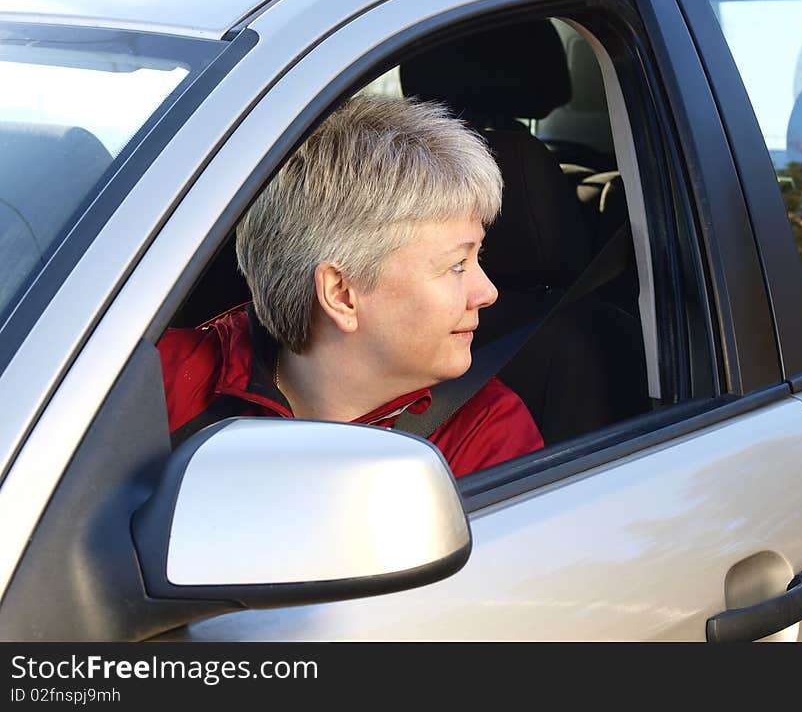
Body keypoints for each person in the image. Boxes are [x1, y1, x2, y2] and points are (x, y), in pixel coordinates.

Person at [158, 94, 543, 477]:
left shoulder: (485, 434)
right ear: (341, 296)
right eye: (457, 265)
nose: (487, 292)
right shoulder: (160, 382)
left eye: (476, 258)